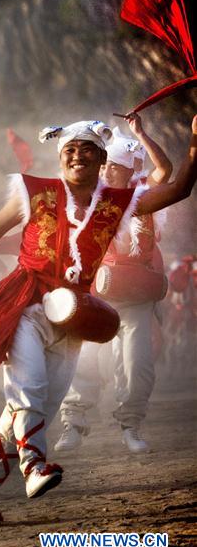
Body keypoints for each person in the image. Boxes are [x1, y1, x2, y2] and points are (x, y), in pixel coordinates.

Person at [0, 117, 196, 528]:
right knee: (28, 390)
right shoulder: (33, 192)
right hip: (26, 306)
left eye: (87, 149)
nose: (77, 155)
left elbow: (179, 189)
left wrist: (195, 142)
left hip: (72, 321)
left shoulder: (118, 204)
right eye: (70, 149)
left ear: (103, 159)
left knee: (30, 411)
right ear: (60, 158)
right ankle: (34, 465)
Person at [57, 114, 173, 454]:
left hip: (135, 297)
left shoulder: (143, 198)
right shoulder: (86, 199)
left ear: (128, 171)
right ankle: (73, 425)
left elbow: (165, 172)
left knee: (137, 365)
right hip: (97, 296)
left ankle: (131, 425)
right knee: (82, 360)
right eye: (105, 166)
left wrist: (141, 134)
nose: (107, 171)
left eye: (115, 167)